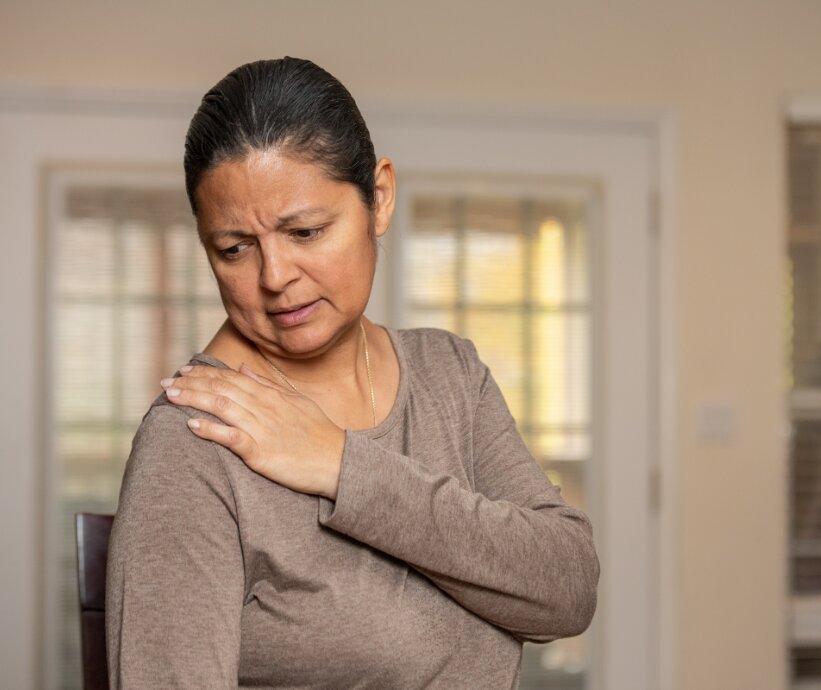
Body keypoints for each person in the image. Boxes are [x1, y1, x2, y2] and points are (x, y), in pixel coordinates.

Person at [105, 57, 599, 689]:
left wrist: (342, 465)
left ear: (379, 198)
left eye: (306, 231)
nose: (274, 276)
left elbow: (567, 589)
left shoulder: (449, 374)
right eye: (234, 248)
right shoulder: (193, 444)